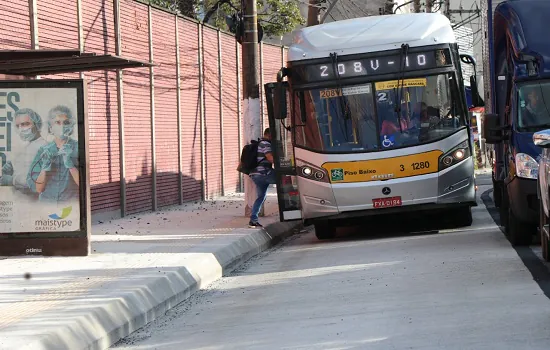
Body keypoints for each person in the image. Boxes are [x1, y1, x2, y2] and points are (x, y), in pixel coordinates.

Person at [27, 105, 79, 203]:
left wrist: (70, 165)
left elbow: (85, 185)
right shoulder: (43, 151)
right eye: (57, 122)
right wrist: (44, 168)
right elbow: (39, 189)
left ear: (71, 126)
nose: (62, 126)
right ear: (50, 128)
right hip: (46, 205)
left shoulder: (78, 148)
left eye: (66, 122)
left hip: (70, 205)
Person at [0, 108, 47, 196]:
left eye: (25, 124)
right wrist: (11, 171)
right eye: (18, 126)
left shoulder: (44, 148)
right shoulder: (28, 146)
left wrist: (11, 180)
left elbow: (36, 183)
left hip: (34, 202)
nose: (21, 129)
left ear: (36, 124)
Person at [248, 128, 276, 228]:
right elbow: (270, 158)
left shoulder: (260, 143)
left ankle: (253, 220)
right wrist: (284, 162)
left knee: (261, 197)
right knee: (286, 180)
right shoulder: (266, 144)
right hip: (264, 173)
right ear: (269, 135)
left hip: (255, 174)